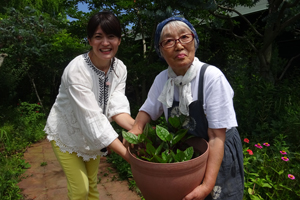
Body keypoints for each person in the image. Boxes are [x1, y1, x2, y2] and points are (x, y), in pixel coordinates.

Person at [126, 16, 244, 200]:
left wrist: (206, 185)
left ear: (194, 41)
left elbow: (216, 137)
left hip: (217, 151)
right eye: (168, 41)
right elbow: (148, 109)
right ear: (161, 51)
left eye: (184, 37)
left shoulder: (211, 77)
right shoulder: (162, 79)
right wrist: (137, 127)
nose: (178, 45)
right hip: (188, 153)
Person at [44, 11, 134, 200]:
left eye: (111, 36)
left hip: (92, 137)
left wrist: (138, 129)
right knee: (80, 190)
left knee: (92, 186)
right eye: (98, 37)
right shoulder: (77, 70)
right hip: (66, 133)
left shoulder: (120, 68)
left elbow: (116, 106)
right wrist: (129, 156)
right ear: (89, 40)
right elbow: (91, 118)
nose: (105, 43)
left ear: (119, 40)